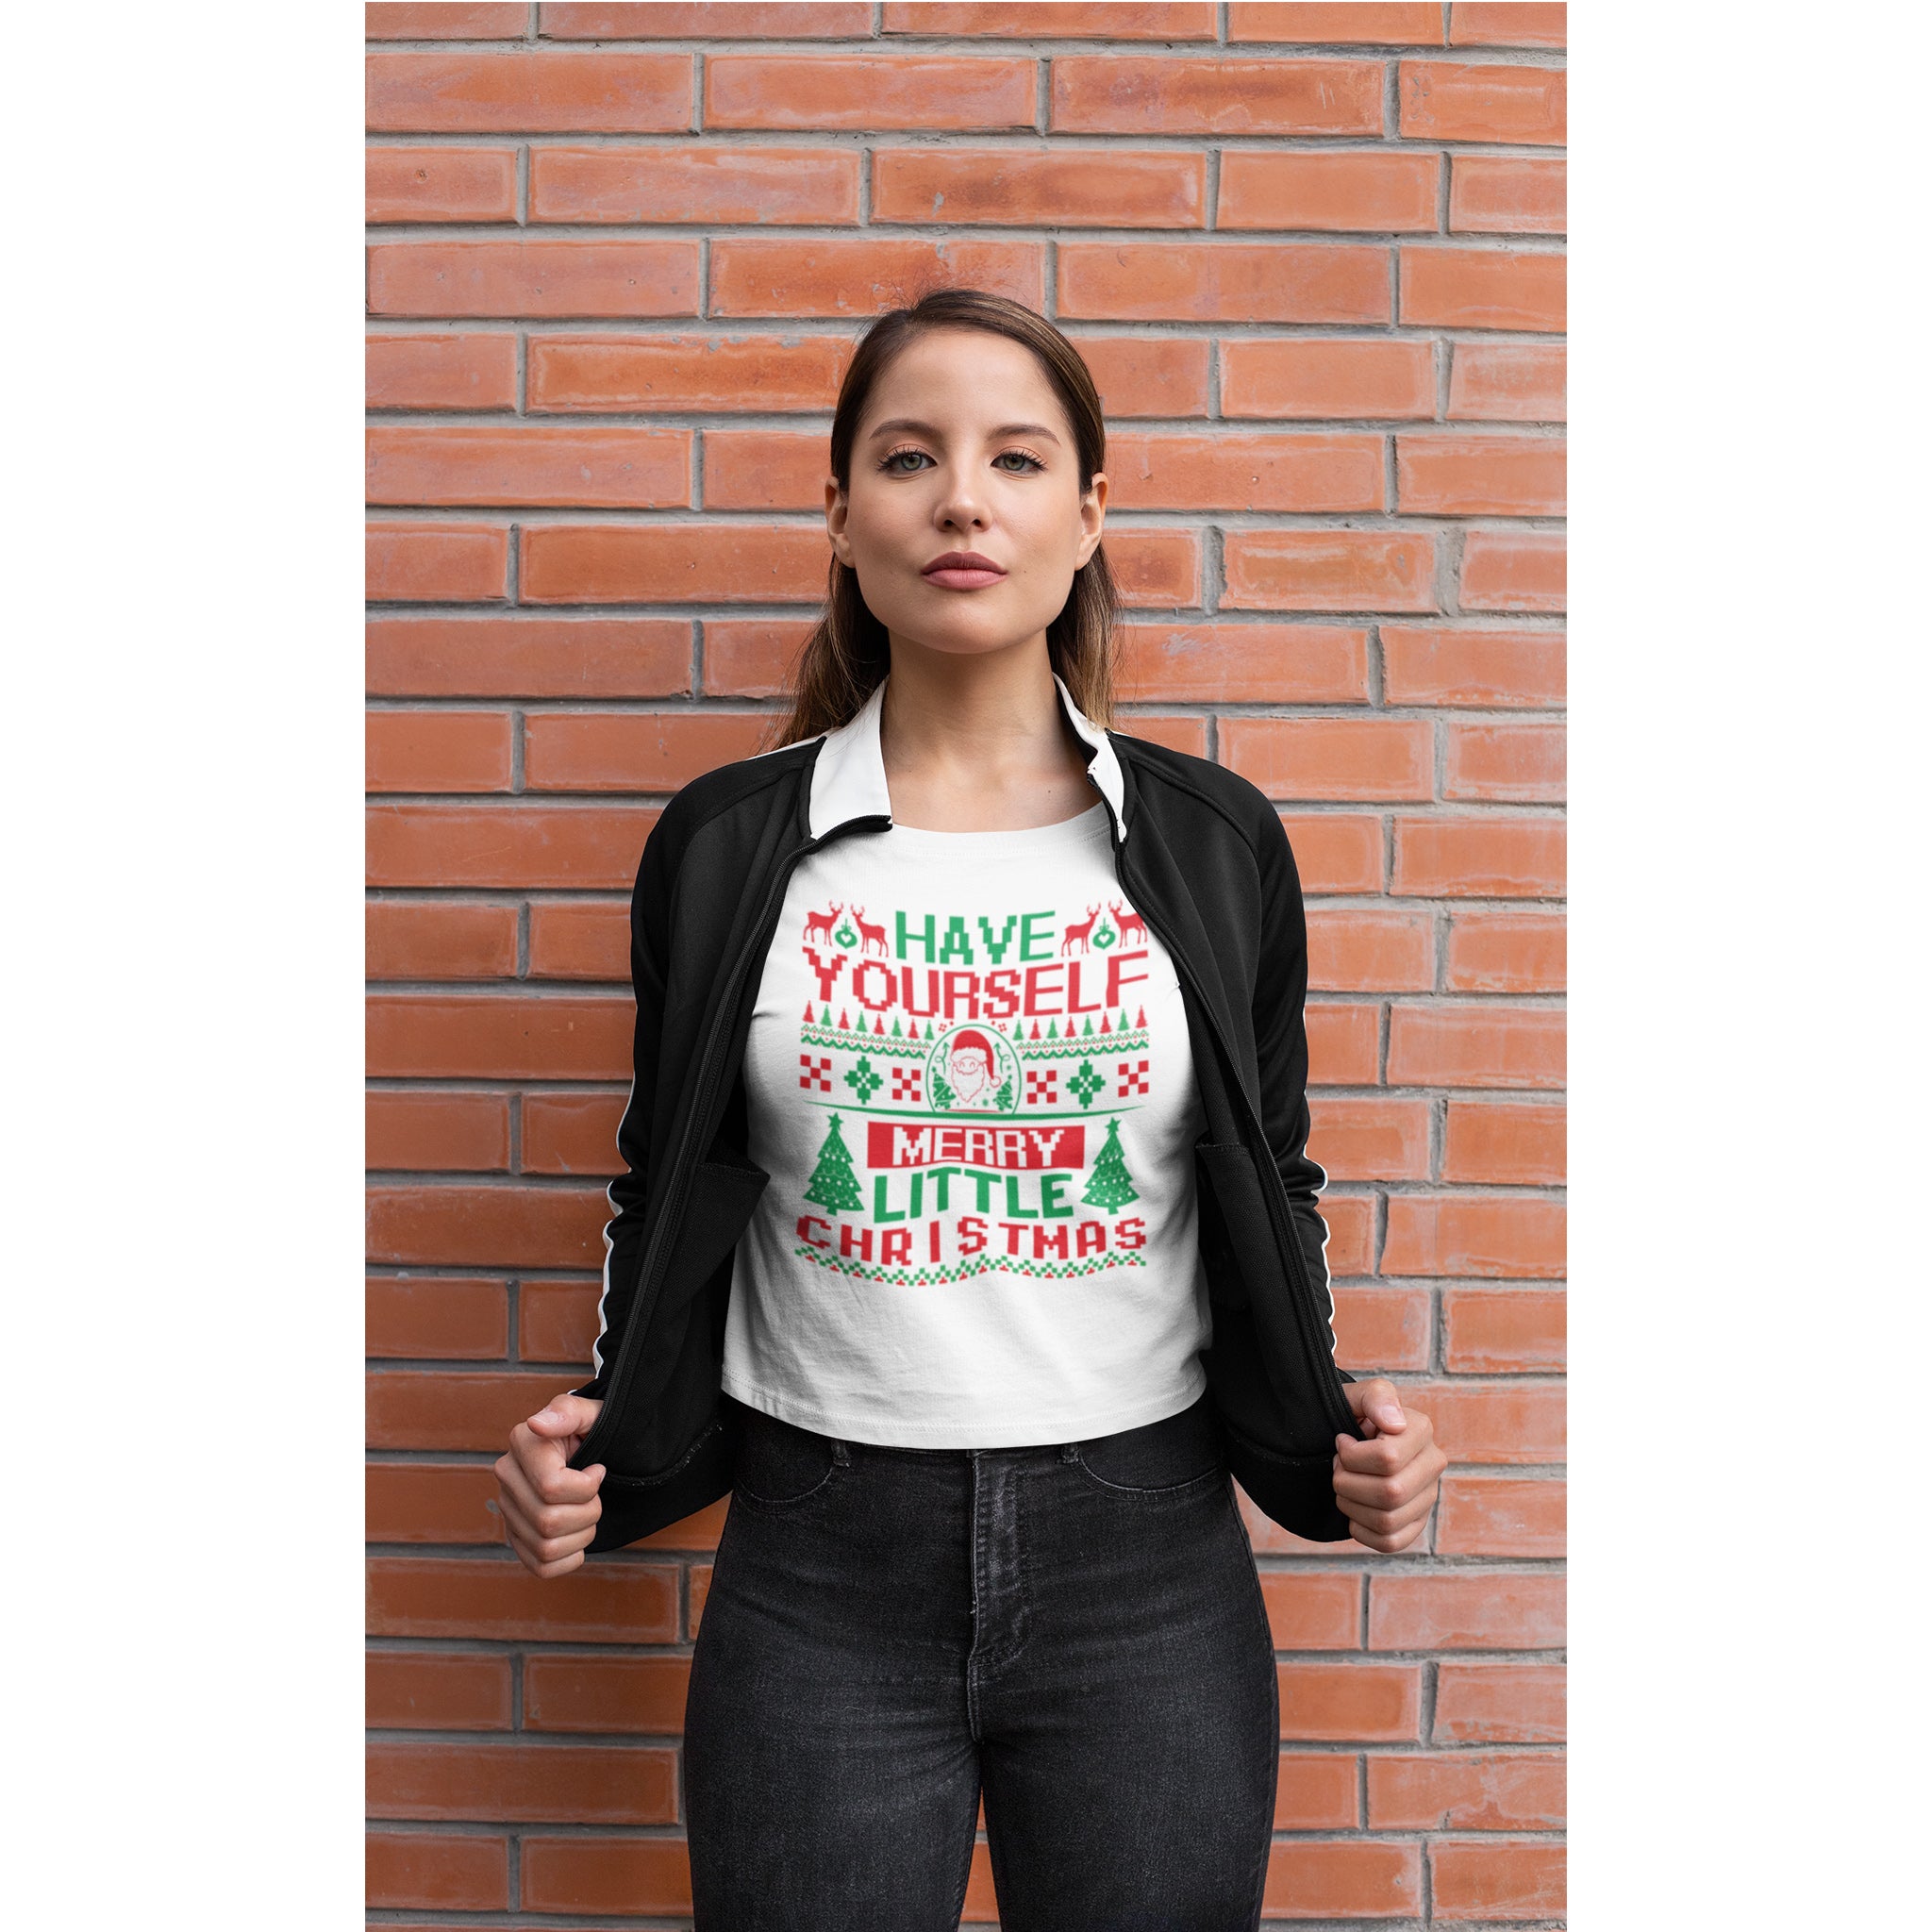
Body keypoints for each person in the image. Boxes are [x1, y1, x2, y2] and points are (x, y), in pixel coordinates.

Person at [493, 289, 1447, 1931]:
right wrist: (599, 1440)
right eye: (907, 458)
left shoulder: (1211, 843)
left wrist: (1343, 1437)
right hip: (817, 1561)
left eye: (1016, 460)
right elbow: (663, 1183)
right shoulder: (729, 846)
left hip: (1145, 1560)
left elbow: (1269, 1177)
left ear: (1089, 514)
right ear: (839, 513)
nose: (961, 501)